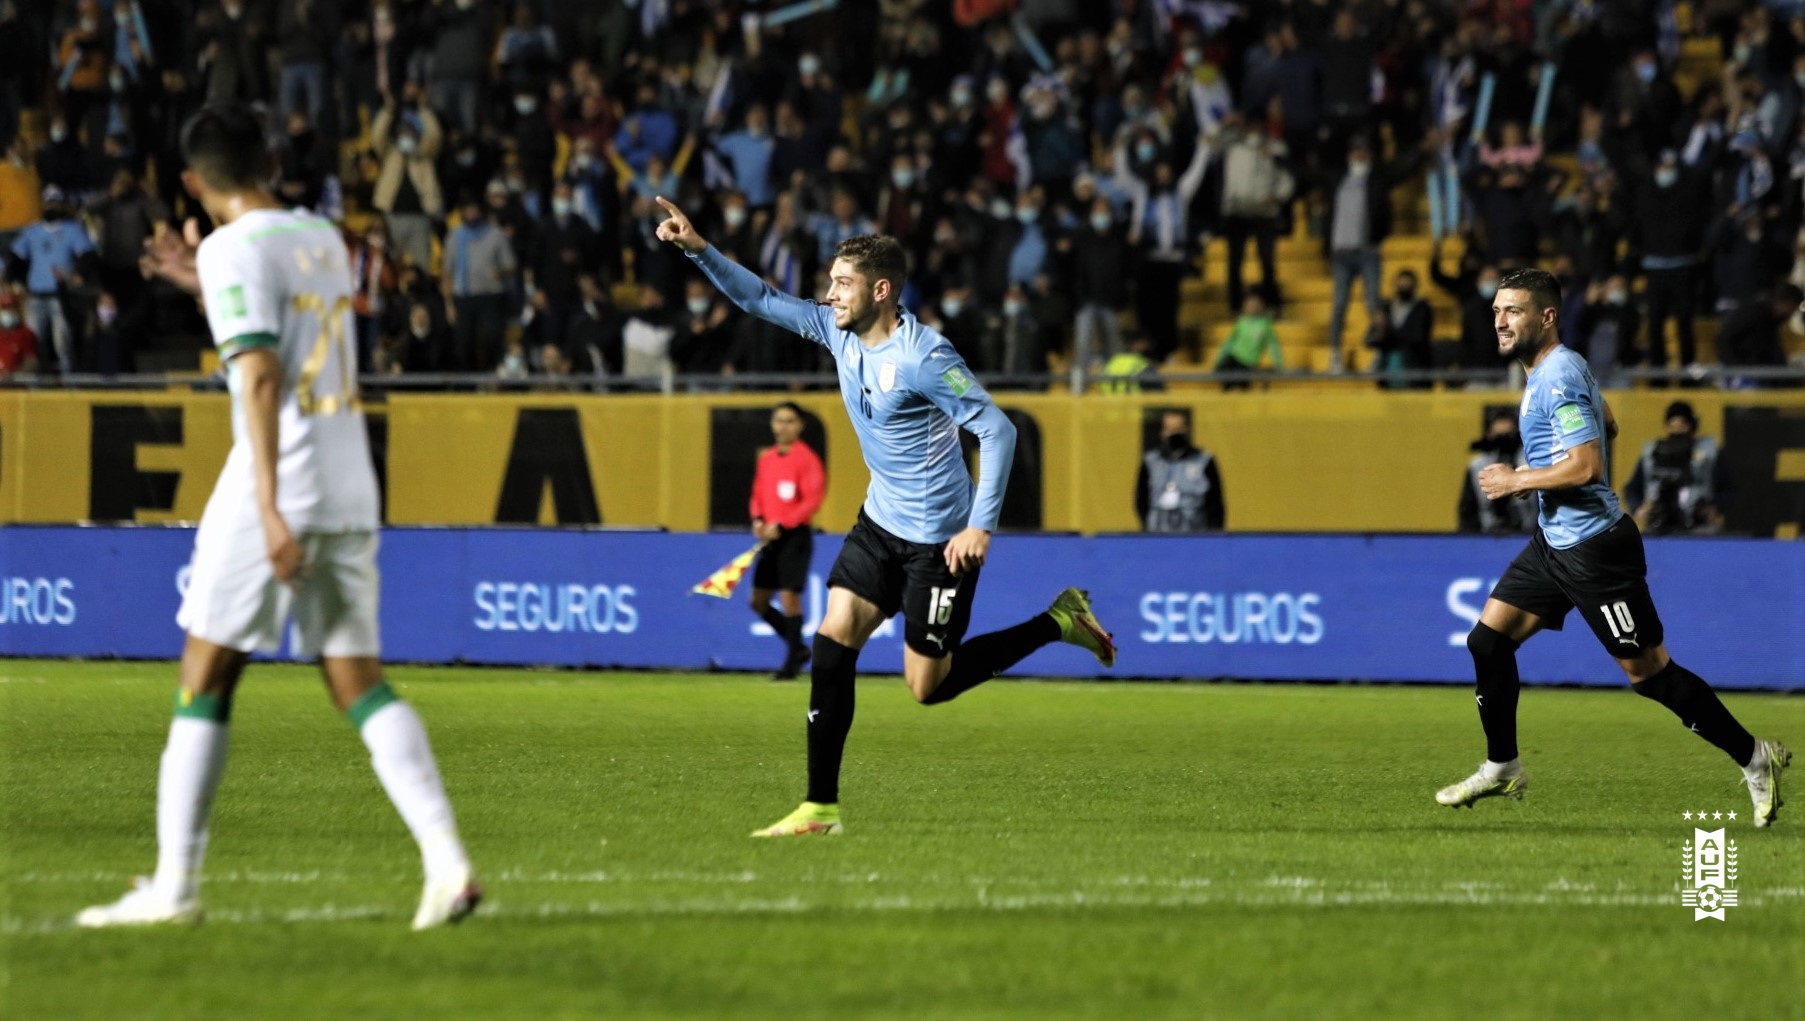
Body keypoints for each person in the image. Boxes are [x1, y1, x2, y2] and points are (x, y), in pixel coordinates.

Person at [78, 104, 479, 929]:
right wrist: (203, 283)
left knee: (205, 673)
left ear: (193, 182)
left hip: (280, 480)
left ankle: (174, 887)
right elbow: (291, 322)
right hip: (348, 477)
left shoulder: (229, 246)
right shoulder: (323, 236)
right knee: (354, 676)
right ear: (265, 163)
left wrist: (264, 506)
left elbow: (259, 376)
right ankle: (448, 864)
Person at [654, 196, 1116, 838]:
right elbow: (760, 299)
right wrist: (698, 249)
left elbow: (998, 430)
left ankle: (1058, 620)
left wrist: (979, 526)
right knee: (833, 636)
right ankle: (820, 808)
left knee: (927, 686)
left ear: (880, 290)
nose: (829, 294)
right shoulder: (836, 332)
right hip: (879, 525)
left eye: (841, 284)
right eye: (830, 282)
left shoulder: (925, 356)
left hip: (939, 543)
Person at [1435, 268, 1789, 826]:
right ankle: (1502, 765)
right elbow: (1610, 425)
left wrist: (1517, 480)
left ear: (1546, 317)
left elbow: (1587, 463)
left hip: (1597, 551)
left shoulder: (1556, 376)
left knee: (1650, 676)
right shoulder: (1554, 373)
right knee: (1487, 642)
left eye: (1514, 311)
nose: (1499, 321)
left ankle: (1754, 758)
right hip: (1555, 542)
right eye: (1497, 310)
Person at [748, 402, 826, 680]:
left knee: (789, 597)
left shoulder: (807, 460)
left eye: (789, 421)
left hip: (793, 537)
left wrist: (781, 523)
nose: (783, 426)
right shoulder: (768, 458)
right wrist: (757, 520)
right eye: (779, 420)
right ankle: (799, 648)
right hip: (769, 538)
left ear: (800, 426)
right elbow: (758, 494)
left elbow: (812, 500)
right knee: (757, 601)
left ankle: (792, 662)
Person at [1623, 401, 1731, 535]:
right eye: (1672, 426)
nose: (1677, 431)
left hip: (1699, 527)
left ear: (1691, 426)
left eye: (1682, 426)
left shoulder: (1709, 454)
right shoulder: (1652, 454)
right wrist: (1638, 507)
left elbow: (1729, 489)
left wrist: (1715, 508)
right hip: (1658, 524)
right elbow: (1632, 488)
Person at [1135, 408, 1224, 533]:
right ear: (1163, 432)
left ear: (1187, 430)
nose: (1174, 435)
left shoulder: (1204, 461)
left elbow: (1215, 504)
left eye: (1178, 430)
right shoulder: (1151, 462)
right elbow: (1141, 500)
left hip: (1194, 534)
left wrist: (1213, 535)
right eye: (1170, 430)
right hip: (1158, 534)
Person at [1457, 411, 1535, 534]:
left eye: (1509, 435)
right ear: (1489, 435)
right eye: (1498, 436)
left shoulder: (1530, 463)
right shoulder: (1477, 466)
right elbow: (1467, 509)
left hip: (1527, 533)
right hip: (1486, 534)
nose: (1503, 442)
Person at [1211, 292, 1282, 388]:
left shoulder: (1266, 325)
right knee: (1225, 373)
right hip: (1234, 357)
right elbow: (1229, 342)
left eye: (1255, 304)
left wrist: (1278, 365)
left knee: (1241, 382)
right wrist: (1218, 360)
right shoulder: (1241, 322)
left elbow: (1273, 345)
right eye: (1249, 305)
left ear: (1261, 306)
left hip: (1248, 363)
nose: (1252, 307)